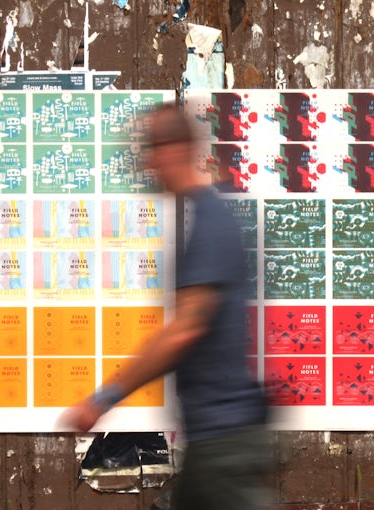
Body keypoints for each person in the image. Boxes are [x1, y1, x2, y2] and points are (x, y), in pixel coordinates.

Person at [61, 103, 270, 509]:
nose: (148, 164)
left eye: (152, 149)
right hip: (215, 437)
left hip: (225, 440)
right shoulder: (207, 218)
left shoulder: (211, 223)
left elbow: (183, 332)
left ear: (175, 149)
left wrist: (103, 399)